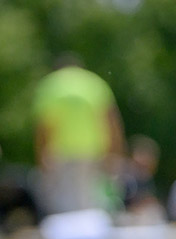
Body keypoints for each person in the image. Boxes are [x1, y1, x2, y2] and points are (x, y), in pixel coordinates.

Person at [33, 55, 125, 216]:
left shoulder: (50, 84)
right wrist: (115, 152)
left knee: (64, 205)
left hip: (61, 152)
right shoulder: (94, 83)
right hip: (93, 152)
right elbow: (111, 122)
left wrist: (41, 155)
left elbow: (44, 126)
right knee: (91, 201)